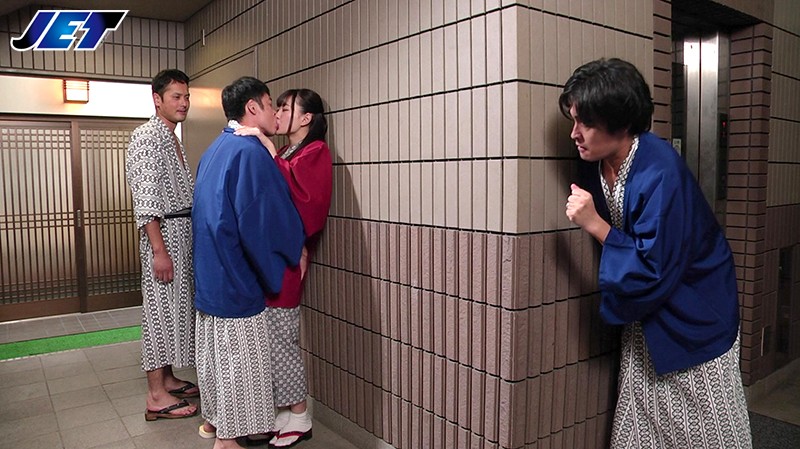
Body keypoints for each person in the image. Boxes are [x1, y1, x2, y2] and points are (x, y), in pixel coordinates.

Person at [561, 58, 752, 448]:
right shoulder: (596, 163)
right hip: (649, 311)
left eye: (586, 123)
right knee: (642, 420)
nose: (574, 134)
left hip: (693, 307)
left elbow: (652, 266)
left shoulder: (661, 170)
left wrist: (595, 224)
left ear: (621, 123)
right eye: (574, 120)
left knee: (711, 429)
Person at [192, 76, 305, 449]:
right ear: (253, 107)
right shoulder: (250, 153)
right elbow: (264, 223)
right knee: (239, 368)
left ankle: (221, 426)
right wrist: (292, 252)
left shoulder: (216, 148)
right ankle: (228, 440)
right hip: (236, 281)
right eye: (271, 104)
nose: (275, 113)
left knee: (218, 363)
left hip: (212, 278)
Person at [235, 88, 332, 447]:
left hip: (287, 258)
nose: (277, 114)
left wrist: (267, 147)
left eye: (285, 109)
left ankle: (300, 414)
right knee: (272, 338)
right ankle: (286, 411)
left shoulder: (315, 151)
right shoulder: (291, 151)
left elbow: (307, 205)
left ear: (306, 118)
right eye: (276, 107)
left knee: (281, 338)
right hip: (274, 255)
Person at [125, 69, 199, 421]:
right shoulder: (146, 136)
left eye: (186, 97)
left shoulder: (172, 137)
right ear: (157, 99)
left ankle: (167, 379)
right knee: (157, 311)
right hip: (163, 235)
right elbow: (146, 199)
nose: (183, 103)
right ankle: (155, 394)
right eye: (176, 97)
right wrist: (159, 250)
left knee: (172, 309)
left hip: (180, 233)